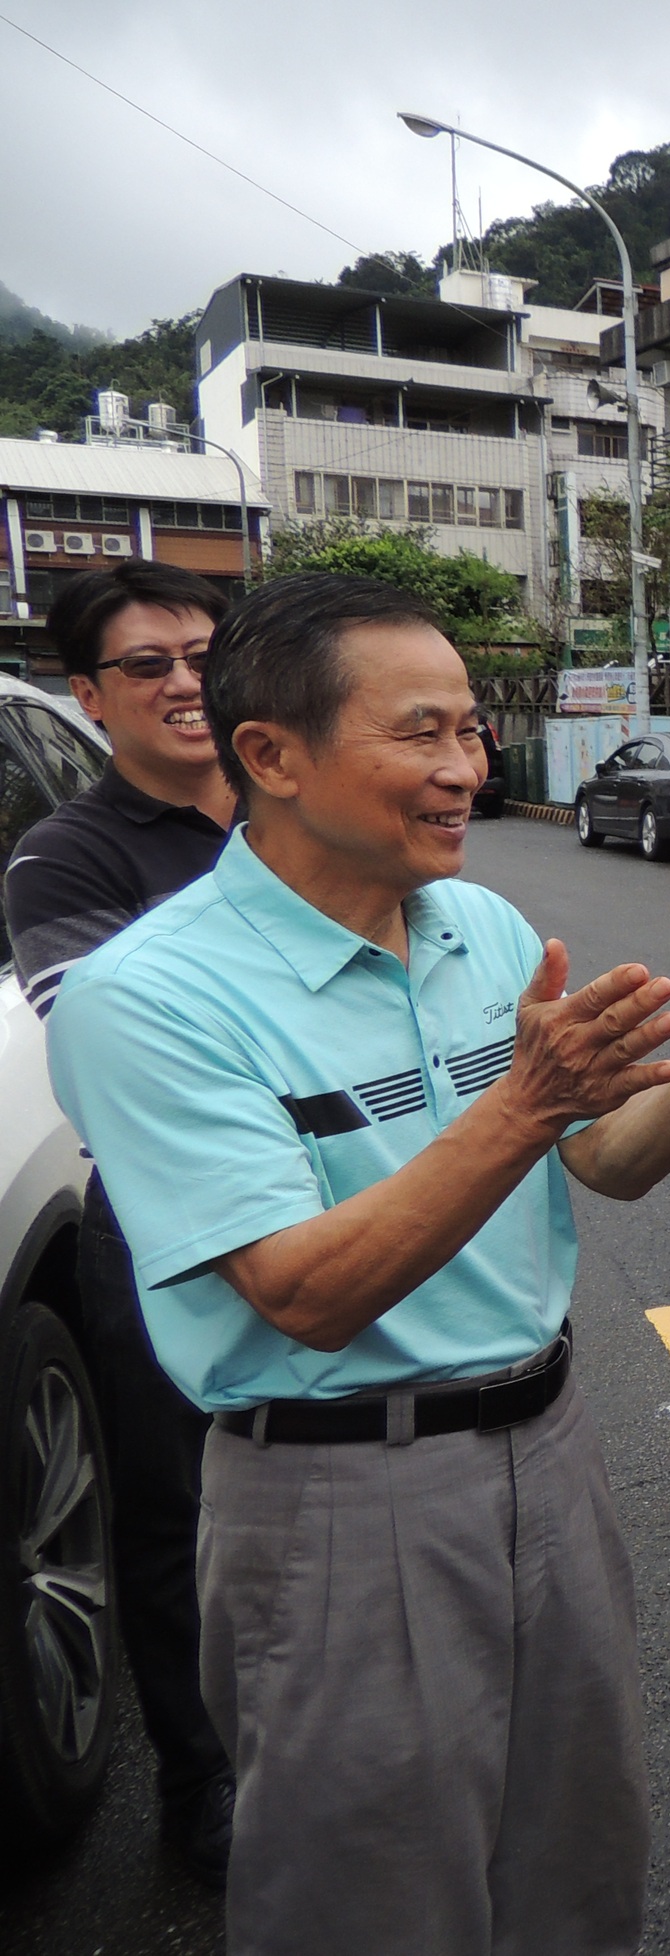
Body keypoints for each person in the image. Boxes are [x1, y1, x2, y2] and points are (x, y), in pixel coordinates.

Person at [45, 572, 670, 1956]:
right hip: (332, 1498)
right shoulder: (147, 1000)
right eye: (424, 734)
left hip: (548, 1451)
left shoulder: (482, 930)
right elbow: (304, 1294)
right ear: (270, 754)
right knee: (373, 1903)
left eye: (471, 733)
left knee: (578, 1870)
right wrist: (523, 1103)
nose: (467, 770)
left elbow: (606, 1161)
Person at [4, 562, 240, 1881]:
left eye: (205, 650)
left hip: (354, 1217)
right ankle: (202, 1782)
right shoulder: (69, 852)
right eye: (147, 665)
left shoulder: (300, 813)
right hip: (164, 1236)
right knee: (178, 1518)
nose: (185, 681)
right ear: (89, 697)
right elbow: (125, 1058)